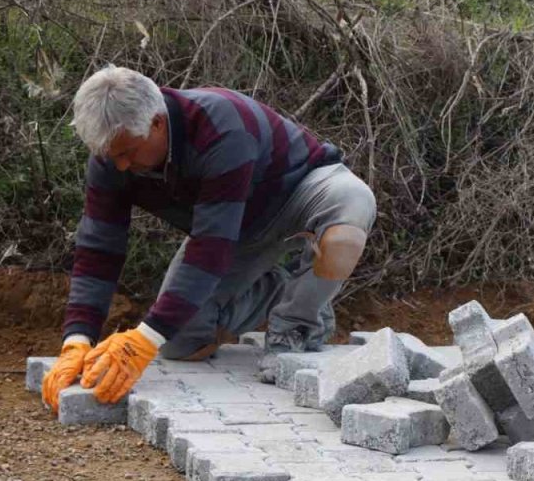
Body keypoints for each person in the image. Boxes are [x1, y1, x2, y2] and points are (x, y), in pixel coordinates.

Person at [41, 65, 375, 411]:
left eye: (128, 152)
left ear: (156, 123)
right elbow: (99, 249)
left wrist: (144, 337)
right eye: (112, 156)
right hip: (236, 226)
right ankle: (285, 287)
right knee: (180, 343)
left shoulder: (219, 127)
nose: (122, 165)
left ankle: (298, 323)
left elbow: (210, 249)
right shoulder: (111, 157)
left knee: (347, 224)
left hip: (301, 192)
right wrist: (77, 338)